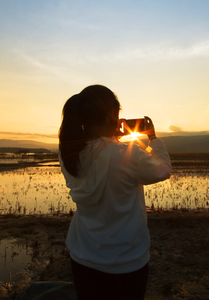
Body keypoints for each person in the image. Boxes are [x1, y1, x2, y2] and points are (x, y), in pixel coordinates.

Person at [58, 85, 171, 299]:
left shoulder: (68, 155)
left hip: (83, 258)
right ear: (112, 115)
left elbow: (99, 156)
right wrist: (154, 139)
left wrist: (111, 137)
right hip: (126, 263)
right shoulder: (123, 155)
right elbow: (163, 170)